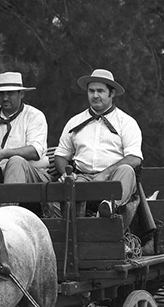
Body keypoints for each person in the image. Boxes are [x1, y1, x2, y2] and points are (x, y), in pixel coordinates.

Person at [53, 68, 143, 217]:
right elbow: (61, 154)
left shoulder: (126, 122)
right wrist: (67, 175)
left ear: (111, 93)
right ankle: (71, 229)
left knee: (127, 170)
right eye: (91, 91)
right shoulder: (75, 122)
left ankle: (108, 206)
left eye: (100, 91)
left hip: (114, 178)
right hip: (82, 178)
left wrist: (105, 174)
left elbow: (134, 158)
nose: (95, 95)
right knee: (60, 194)